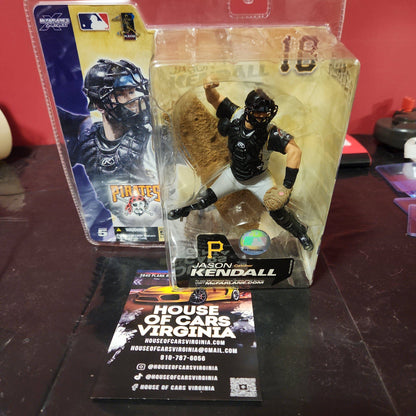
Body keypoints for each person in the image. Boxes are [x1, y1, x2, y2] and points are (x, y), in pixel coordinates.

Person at [168, 81, 313, 251]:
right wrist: (208, 88)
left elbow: (294, 151)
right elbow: (216, 100)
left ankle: (301, 233)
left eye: (266, 113)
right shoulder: (237, 115)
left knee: (277, 210)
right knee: (205, 198)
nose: (263, 117)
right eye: (259, 113)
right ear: (249, 110)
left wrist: (286, 187)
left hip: (259, 179)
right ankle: (184, 210)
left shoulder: (270, 132)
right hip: (233, 174)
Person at [68, 59, 159, 220]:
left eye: (132, 92)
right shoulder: (87, 140)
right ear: (99, 105)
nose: (132, 101)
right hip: (112, 224)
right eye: (121, 94)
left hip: (158, 219)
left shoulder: (152, 138)